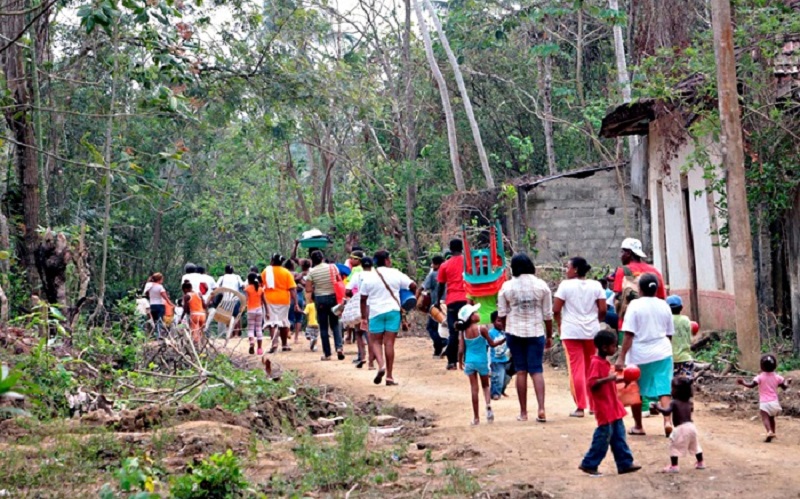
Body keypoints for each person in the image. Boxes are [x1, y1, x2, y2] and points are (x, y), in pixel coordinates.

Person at [615, 273, 675, 436]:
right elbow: (669, 334)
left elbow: (628, 335)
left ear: (639, 289)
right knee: (664, 388)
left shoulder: (634, 306)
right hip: (662, 351)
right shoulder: (664, 305)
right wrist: (666, 348)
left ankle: (638, 425)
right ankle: (667, 421)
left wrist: (621, 357)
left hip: (639, 354)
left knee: (636, 390)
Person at [497, 253, 553, 423]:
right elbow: (547, 315)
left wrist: (507, 330)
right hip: (536, 331)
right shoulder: (542, 286)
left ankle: (523, 412)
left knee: (521, 370)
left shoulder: (507, 287)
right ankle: (541, 409)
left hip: (514, 331)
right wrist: (549, 335)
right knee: (536, 370)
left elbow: (502, 313)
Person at [579, 329, 641, 476]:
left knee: (619, 436)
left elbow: (608, 381)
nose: (615, 348)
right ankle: (589, 463)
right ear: (604, 347)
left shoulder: (604, 363)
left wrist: (623, 379)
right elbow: (592, 383)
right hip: (604, 408)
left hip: (613, 407)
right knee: (602, 437)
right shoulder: (596, 363)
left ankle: (625, 463)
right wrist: (610, 379)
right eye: (613, 346)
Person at [553, 256, 607, 418]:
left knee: (576, 368)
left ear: (575, 269)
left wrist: (560, 324)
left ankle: (580, 406)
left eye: (568, 267)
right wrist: (595, 321)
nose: (566, 270)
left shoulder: (565, 286)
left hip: (571, 331)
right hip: (592, 331)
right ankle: (594, 405)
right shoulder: (596, 285)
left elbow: (556, 309)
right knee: (592, 367)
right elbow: (603, 309)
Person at [359, 250, 416, 386]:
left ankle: (381, 366)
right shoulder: (395, 273)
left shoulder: (369, 277)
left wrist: (363, 318)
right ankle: (389, 376)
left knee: (376, 342)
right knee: (389, 343)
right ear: (386, 260)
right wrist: (408, 297)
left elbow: (362, 299)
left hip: (375, 312)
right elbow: (413, 285)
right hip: (393, 311)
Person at [457, 303, 505, 425]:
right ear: (471, 317)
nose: (477, 314)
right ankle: (488, 406)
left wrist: (460, 362)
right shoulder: (482, 329)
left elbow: (461, 350)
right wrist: (504, 339)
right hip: (482, 361)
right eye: (475, 313)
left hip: (470, 362)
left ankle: (476, 418)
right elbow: (492, 344)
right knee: (485, 386)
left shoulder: (463, 332)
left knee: (474, 388)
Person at [612, 238, 666, 333]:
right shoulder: (654, 271)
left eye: (622, 252)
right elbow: (662, 298)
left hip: (628, 324)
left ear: (628, 253)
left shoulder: (623, 271)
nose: (621, 256)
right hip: (652, 324)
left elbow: (618, 299)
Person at [737, 354, 792, 442]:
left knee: (764, 417)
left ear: (761, 366)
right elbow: (785, 387)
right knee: (771, 418)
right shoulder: (777, 377)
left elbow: (751, 385)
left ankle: (769, 431)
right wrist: (788, 382)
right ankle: (772, 432)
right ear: (775, 366)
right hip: (774, 402)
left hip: (765, 403)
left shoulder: (760, 377)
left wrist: (743, 382)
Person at [655, 377, 706, 473]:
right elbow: (690, 412)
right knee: (695, 445)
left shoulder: (674, 403)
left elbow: (667, 412)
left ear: (676, 391)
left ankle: (674, 466)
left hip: (681, 428)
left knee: (674, 446)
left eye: (672, 388)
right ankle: (700, 462)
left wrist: (658, 407)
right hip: (691, 426)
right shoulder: (690, 403)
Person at [305, 250, 345, 361]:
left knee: (323, 327)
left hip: (320, 300)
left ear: (312, 260)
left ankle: (327, 354)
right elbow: (338, 281)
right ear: (322, 258)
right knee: (335, 323)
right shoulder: (332, 267)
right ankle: (339, 347)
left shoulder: (311, 272)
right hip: (333, 298)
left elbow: (308, 289)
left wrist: (314, 291)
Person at [437, 239, 468, 370]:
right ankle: (467, 359)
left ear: (450, 249)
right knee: (468, 330)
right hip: (467, 300)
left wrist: (438, 301)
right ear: (462, 248)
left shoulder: (445, 265)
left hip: (452, 301)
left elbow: (441, 285)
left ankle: (452, 362)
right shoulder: (468, 263)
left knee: (453, 332)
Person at [262, 254, 301, 353]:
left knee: (272, 322)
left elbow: (260, 286)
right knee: (283, 322)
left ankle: (274, 343)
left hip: (269, 300)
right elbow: (292, 288)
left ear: (272, 261)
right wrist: (296, 303)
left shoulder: (266, 271)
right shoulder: (286, 272)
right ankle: (284, 345)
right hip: (284, 300)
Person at [342, 253, 372, 368]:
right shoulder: (376, 275)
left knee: (359, 332)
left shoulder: (357, 274)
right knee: (371, 332)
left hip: (362, 305)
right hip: (375, 305)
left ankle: (362, 356)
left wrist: (351, 296)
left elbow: (348, 290)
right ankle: (372, 359)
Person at [419, 255, 448, 357]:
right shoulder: (450, 272)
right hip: (450, 303)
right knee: (448, 327)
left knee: (432, 328)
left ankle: (440, 346)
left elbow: (423, 287)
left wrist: (417, 299)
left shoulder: (433, 275)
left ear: (437, 264)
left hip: (437, 305)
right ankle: (446, 345)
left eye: (433, 264)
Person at [666, 295, 694, 378]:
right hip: (685, 358)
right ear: (681, 307)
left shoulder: (667, 320)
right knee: (686, 385)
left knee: (672, 386)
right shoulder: (686, 320)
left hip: (670, 358)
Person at [488, 311, 512, 401]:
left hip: (506, 358)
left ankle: (501, 390)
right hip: (496, 359)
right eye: (499, 320)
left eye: (503, 320)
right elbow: (488, 347)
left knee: (505, 377)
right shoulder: (491, 333)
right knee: (497, 377)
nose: (501, 323)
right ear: (493, 322)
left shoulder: (506, 331)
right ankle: (495, 393)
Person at [215, 265, 244, 336]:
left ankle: (229, 334)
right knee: (236, 316)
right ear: (233, 271)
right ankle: (236, 334)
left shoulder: (222, 278)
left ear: (225, 271)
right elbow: (243, 286)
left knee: (227, 316)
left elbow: (216, 287)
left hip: (225, 299)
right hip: (235, 299)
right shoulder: (237, 277)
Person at [244, 272, 268, 355]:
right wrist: (267, 311)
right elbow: (264, 301)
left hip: (251, 310)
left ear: (249, 280)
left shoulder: (247, 289)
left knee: (251, 328)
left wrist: (242, 308)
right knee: (258, 328)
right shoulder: (260, 289)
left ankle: (251, 342)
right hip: (259, 310)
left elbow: (246, 300)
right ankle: (260, 349)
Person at [146, 273, 174, 338]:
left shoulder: (149, 286)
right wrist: (171, 304)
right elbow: (165, 297)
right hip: (160, 306)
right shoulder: (160, 287)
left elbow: (147, 294)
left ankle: (155, 335)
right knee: (160, 320)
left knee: (155, 321)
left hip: (152, 305)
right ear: (160, 279)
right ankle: (159, 335)